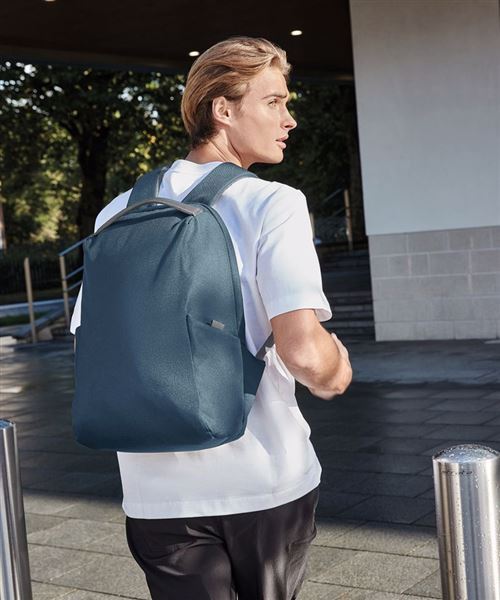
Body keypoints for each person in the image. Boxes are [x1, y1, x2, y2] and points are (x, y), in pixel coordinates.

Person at [70, 36, 352, 600]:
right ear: (223, 109)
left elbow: (91, 343)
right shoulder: (273, 204)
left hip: (154, 494)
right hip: (262, 482)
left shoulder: (118, 211)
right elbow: (304, 353)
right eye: (274, 102)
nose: (290, 119)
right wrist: (338, 367)